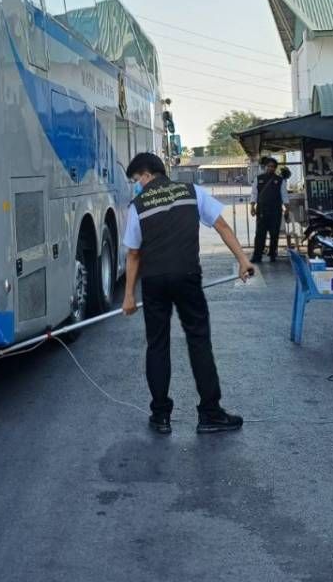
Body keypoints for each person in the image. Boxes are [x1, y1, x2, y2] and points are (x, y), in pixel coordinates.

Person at [122, 152, 253, 435]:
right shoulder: (192, 191)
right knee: (198, 341)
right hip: (187, 276)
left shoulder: (138, 205)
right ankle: (210, 413)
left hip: (154, 280)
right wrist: (243, 260)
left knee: (157, 345)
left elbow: (133, 254)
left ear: (147, 174)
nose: (137, 186)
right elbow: (221, 225)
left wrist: (129, 295)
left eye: (137, 179)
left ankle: (160, 416)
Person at [250, 157, 287, 263]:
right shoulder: (258, 178)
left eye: (273, 167)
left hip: (276, 211)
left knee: (274, 234)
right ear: (265, 167)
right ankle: (257, 256)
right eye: (269, 166)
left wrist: (287, 208)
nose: (270, 168)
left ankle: (272, 254)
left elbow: (284, 195)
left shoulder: (280, 180)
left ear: (275, 168)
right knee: (260, 234)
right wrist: (252, 206)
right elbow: (254, 193)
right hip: (262, 210)